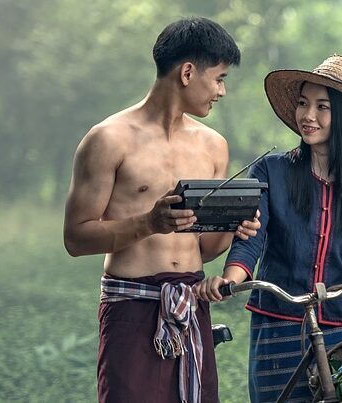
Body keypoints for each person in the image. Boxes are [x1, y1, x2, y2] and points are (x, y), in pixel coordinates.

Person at [62, 16, 259, 403]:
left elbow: (202, 249)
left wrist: (234, 228)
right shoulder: (108, 139)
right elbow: (75, 237)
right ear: (188, 72)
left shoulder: (213, 146)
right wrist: (148, 223)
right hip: (132, 306)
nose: (221, 91)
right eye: (219, 78)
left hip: (191, 302)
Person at [193, 55, 342, 402]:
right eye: (302, 103)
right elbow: (249, 237)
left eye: (322, 107)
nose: (308, 116)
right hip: (276, 320)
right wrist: (231, 280)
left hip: (340, 327)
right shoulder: (271, 171)